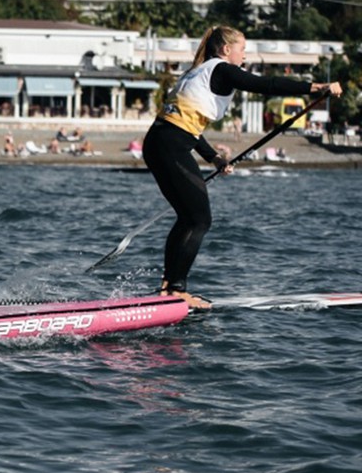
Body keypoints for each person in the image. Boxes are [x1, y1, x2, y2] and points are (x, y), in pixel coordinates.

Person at [142, 25, 342, 309]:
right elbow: (266, 86)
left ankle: (168, 288)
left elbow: (187, 126)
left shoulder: (198, 71)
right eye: (242, 49)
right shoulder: (222, 69)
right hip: (169, 146)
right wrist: (316, 88)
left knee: (190, 217)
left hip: (160, 142)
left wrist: (214, 158)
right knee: (198, 219)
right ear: (226, 49)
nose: (244, 55)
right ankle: (176, 289)